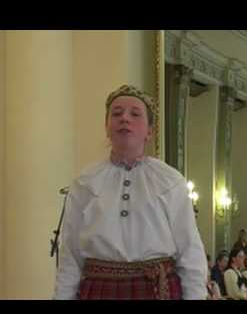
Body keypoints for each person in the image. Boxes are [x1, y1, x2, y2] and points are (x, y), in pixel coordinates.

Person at [53, 84, 208, 300]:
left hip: (156, 289)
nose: (125, 118)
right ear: (106, 127)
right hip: (98, 291)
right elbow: (70, 254)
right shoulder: (85, 183)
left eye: (135, 114)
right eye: (116, 114)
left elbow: (190, 252)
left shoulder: (171, 181)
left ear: (149, 131)